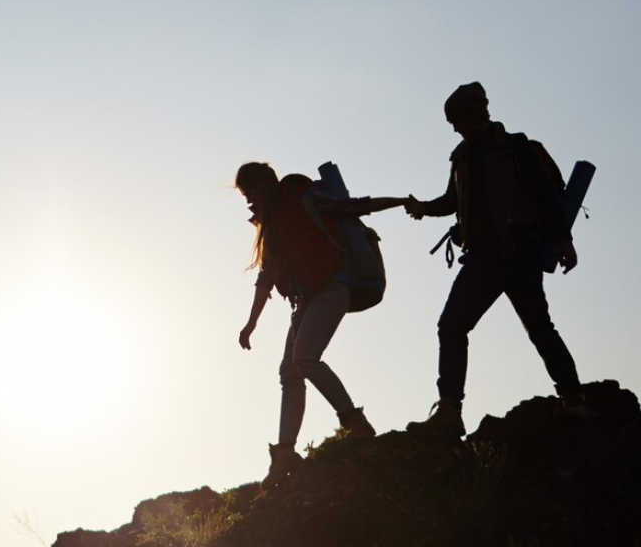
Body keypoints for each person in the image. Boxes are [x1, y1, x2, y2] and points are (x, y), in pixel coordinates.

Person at [404, 82, 584, 437]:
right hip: (481, 259)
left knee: (538, 327)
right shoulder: (461, 156)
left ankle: (574, 398)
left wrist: (564, 240)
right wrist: (423, 208)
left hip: (520, 252)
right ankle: (449, 410)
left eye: (456, 121)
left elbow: (546, 196)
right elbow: (452, 201)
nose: (454, 129)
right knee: (451, 326)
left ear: (473, 115)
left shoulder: (516, 148)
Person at [234, 162, 409, 489]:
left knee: (305, 358)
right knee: (290, 372)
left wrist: (401, 201)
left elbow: (353, 207)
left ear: (265, 184)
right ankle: (285, 453)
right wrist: (250, 324)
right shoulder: (271, 224)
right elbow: (267, 276)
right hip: (306, 300)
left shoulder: (302, 196)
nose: (248, 200)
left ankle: (354, 422)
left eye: (250, 192)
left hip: (333, 287)